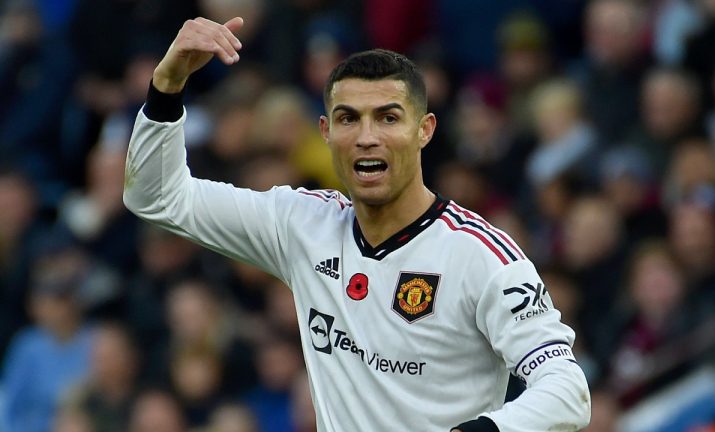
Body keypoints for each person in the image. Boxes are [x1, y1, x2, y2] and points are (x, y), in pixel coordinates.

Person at [123, 16, 591, 431]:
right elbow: (157, 195)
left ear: (424, 130)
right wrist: (167, 86)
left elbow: (567, 389)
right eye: (349, 119)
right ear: (326, 132)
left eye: (388, 118)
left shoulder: (482, 257)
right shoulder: (301, 224)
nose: (367, 137)